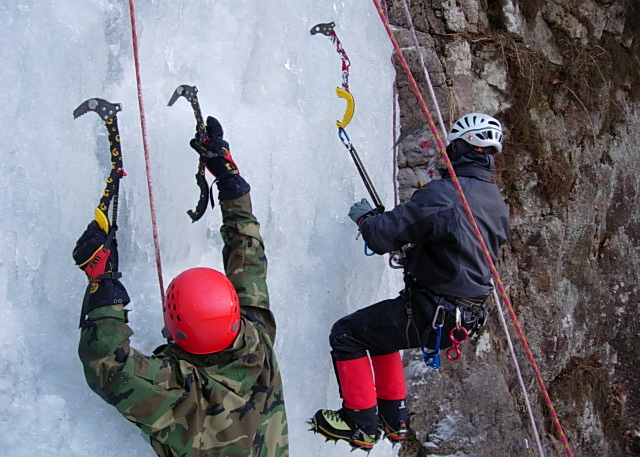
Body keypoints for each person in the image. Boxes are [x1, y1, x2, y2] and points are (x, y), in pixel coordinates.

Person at [73, 116, 289, 457]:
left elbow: (108, 366)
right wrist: (231, 182)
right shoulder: (256, 340)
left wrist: (103, 287)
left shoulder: (182, 394)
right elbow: (248, 261)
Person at [310, 113, 510, 451]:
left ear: (461, 149)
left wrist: (366, 219)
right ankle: (394, 418)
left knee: (347, 334)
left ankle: (360, 422)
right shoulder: (494, 200)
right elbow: (459, 247)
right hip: (460, 316)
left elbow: (381, 235)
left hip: (433, 310)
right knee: (381, 337)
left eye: (451, 147)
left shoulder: (446, 195)